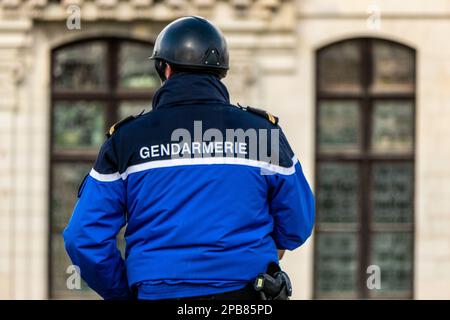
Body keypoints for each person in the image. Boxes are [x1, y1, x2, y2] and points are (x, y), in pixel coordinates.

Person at [63, 16, 315, 300]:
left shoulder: (126, 140)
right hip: (246, 294)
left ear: (166, 69)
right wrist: (261, 254)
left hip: (158, 292)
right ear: (221, 73)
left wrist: (124, 292)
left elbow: (83, 238)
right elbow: (298, 222)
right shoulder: (262, 133)